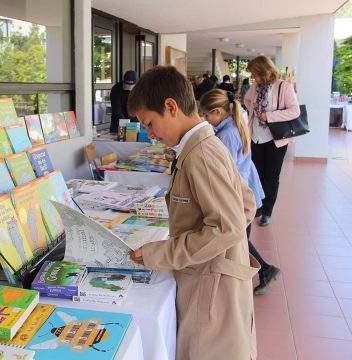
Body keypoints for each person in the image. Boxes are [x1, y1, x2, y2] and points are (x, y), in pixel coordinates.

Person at [128, 66, 259, 359]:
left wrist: (161, 253)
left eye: (150, 124)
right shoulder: (205, 144)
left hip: (210, 288)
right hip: (211, 276)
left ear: (171, 107)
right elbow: (246, 203)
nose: (150, 134)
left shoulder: (201, 154)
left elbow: (227, 227)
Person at [199, 89, 281, 295]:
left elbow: (224, 171)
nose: (206, 120)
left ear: (217, 112)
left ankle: (263, 270)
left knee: (238, 239)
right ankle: (262, 271)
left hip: (240, 192)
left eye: (207, 115)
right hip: (245, 189)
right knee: (240, 238)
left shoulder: (227, 135)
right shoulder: (234, 126)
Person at [244, 56, 300, 227]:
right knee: (256, 174)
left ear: (265, 72)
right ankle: (258, 207)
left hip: (276, 139)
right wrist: (255, 111)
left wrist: (268, 116)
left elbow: (294, 111)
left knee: (271, 177)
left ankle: (267, 211)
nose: (254, 79)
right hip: (256, 137)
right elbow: (247, 100)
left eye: (256, 74)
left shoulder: (284, 87)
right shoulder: (255, 87)